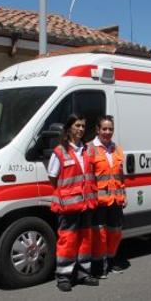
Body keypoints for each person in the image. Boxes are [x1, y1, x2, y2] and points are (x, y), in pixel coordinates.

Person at [48, 114, 99, 292]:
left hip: (86, 204)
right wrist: (66, 193)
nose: (81, 129)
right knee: (68, 240)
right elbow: (53, 178)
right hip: (68, 205)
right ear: (69, 128)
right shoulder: (60, 151)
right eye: (77, 125)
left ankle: (84, 273)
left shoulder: (87, 150)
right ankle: (64, 276)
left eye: (83, 126)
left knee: (85, 240)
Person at [89, 116, 125, 279]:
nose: (108, 132)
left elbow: (120, 175)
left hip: (116, 199)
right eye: (104, 129)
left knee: (115, 232)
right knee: (99, 235)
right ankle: (98, 267)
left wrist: (123, 194)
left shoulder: (117, 149)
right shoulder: (89, 149)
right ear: (98, 130)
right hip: (98, 201)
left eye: (110, 129)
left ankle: (111, 261)